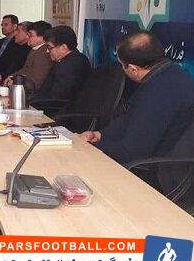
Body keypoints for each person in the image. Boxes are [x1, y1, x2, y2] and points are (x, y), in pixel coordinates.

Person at [80, 31, 194, 165]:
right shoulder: (171, 74)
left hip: (155, 170)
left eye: (122, 66)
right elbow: (129, 119)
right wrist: (99, 135)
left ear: (133, 69)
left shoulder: (158, 93)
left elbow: (130, 153)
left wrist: (87, 147)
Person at [32, 25, 91, 102]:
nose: (47, 51)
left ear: (63, 48)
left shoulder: (68, 67)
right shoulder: (75, 59)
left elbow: (57, 99)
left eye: (49, 47)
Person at [3, 20, 54, 91]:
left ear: (42, 38)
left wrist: (16, 81)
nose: (27, 37)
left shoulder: (44, 54)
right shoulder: (34, 49)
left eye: (30, 35)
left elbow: (37, 81)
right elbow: (25, 69)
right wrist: (12, 76)